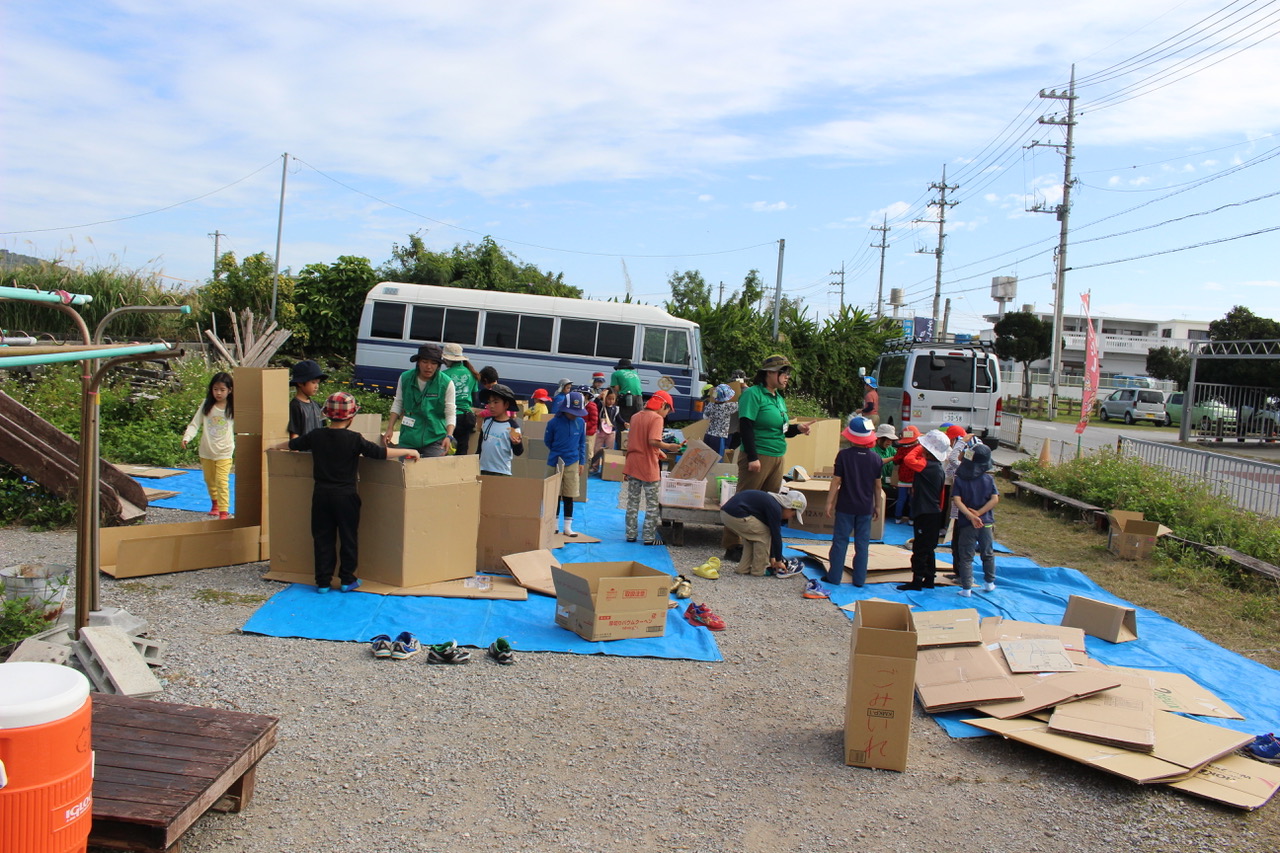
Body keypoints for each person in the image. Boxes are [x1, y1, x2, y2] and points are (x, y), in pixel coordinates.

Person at [275, 392, 419, 593]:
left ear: (327, 415)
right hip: (346, 497)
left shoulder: (316, 435)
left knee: (323, 538)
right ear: (351, 419)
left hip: (321, 496)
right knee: (348, 537)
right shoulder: (354, 439)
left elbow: (292, 445)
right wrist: (407, 451)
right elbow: (379, 453)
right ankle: (347, 580)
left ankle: (323, 582)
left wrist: (273, 447)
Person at [721, 354, 811, 561]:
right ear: (769, 373)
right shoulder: (753, 394)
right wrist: (753, 457)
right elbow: (746, 426)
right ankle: (733, 545)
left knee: (769, 501)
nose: (787, 377)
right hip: (758, 454)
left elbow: (783, 429)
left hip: (777, 454)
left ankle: (757, 542)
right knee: (744, 498)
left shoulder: (778, 398)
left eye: (787, 373)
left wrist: (797, 428)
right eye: (783, 372)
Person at [824, 416, 883, 586]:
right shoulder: (876, 459)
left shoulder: (843, 456)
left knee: (840, 541)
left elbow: (836, 481)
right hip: (865, 507)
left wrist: (829, 502)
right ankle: (859, 580)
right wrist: (877, 506)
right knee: (862, 544)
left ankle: (834, 577)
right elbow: (877, 486)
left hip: (845, 506)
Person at [623, 390, 681, 544]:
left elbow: (639, 440)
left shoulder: (635, 417)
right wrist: (670, 446)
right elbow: (653, 441)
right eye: (668, 410)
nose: (667, 414)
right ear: (663, 405)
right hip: (648, 466)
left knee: (632, 502)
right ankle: (648, 537)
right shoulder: (656, 419)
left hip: (633, 463)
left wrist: (659, 451)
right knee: (652, 504)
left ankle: (630, 534)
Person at [897, 429, 949, 591]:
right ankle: (929, 578)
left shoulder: (926, 465)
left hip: (924, 512)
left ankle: (917, 580)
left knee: (920, 548)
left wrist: (921, 446)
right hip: (933, 512)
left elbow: (908, 459)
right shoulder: (938, 468)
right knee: (929, 548)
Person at [383, 344, 456, 457]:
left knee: (434, 471)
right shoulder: (405, 378)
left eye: (433, 363)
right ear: (418, 362)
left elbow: (450, 411)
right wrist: (390, 428)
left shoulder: (446, 383)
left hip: (435, 437)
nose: (429, 367)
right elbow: (398, 402)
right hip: (409, 436)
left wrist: (449, 436)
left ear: (438, 366)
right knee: (403, 471)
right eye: (425, 362)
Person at [182, 372, 235, 519]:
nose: (218, 393)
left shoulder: (233, 407)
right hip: (206, 451)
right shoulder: (207, 405)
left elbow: (245, 426)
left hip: (225, 451)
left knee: (222, 481)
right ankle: (215, 504)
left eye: (222, 390)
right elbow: (195, 423)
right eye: (215, 389)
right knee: (210, 480)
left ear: (230, 390)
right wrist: (187, 437)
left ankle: (224, 512)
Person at [719, 488, 807, 577]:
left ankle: (743, 569)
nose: (790, 518)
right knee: (764, 534)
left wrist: (773, 557)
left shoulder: (772, 502)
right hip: (735, 514)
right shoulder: (775, 508)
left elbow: (772, 533)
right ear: (790, 508)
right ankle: (759, 571)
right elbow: (776, 536)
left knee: (752, 538)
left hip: (727, 513)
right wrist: (779, 561)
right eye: (793, 515)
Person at [951, 443, 999, 596]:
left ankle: (966, 588)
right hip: (986, 523)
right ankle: (989, 582)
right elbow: (994, 499)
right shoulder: (988, 479)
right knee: (988, 553)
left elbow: (957, 501)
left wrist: (970, 516)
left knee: (966, 556)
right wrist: (979, 513)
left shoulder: (960, 479)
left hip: (967, 524)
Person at [545, 390, 590, 537]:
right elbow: (548, 441)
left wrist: (581, 462)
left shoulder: (580, 423)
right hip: (555, 462)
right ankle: (554, 525)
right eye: (571, 412)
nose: (574, 415)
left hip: (573, 462)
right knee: (555, 495)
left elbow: (582, 443)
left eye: (577, 412)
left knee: (569, 495)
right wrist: (557, 452)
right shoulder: (553, 423)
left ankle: (567, 527)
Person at [441, 343, 481, 454]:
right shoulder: (472, 374)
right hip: (467, 417)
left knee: (445, 449)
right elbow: (475, 398)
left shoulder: (443, 375)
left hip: (450, 417)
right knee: (462, 450)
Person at [476, 384, 524, 476]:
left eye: (496, 402)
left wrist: (517, 444)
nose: (491, 406)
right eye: (489, 402)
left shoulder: (512, 426)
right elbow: (480, 446)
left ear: (506, 404)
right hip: (482, 470)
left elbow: (519, 452)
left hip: (502, 472)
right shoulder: (486, 421)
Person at [287, 359, 328, 439]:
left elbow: (324, 429)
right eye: (313, 382)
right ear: (300, 383)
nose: (316, 386)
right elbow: (294, 435)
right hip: (304, 451)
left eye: (317, 382)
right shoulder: (295, 406)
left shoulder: (317, 406)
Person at [891, 425, 922, 524]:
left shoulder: (901, 449)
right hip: (915, 478)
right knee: (913, 500)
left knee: (901, 499)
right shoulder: (919, 449)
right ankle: (911, 519)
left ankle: (897, 518)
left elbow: (896, 461)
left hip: (903, 478)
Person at [590, 388, 621, 473]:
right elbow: (594, 404)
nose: (611, 401)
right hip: (600, 432)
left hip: (611, 432)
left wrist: (625, 422)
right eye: (609, 399)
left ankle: (606, 468)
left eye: (613, 399)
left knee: (609, 450)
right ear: (605, 398)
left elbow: (618, 418)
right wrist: (599, 397)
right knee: (596, 449)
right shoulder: (600, 406)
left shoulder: (615, 409)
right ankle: (594, 466)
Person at [704, 383, 738, 458]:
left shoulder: (710, 405)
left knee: (707, 459)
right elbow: (741, 404)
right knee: (718, 459)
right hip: (719, 437)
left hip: (708, 435)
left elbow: (705, 416)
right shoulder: (728, 406)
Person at [873, 424, 898, 521]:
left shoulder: (891, 449)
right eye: (887, 439)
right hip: (877, 484)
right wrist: (893, 458)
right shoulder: (873, 449)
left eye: (891, 440)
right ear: (879, 438)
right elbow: (877, 462)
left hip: (891, 484)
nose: (889, 442)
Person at [610, 357, 644, 423]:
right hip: (639, 398)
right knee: (639, 420)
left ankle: (622, 432)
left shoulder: (616, 374)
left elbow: (615, 389)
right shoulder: (635, 373)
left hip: (627, 398)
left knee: (624, 420)